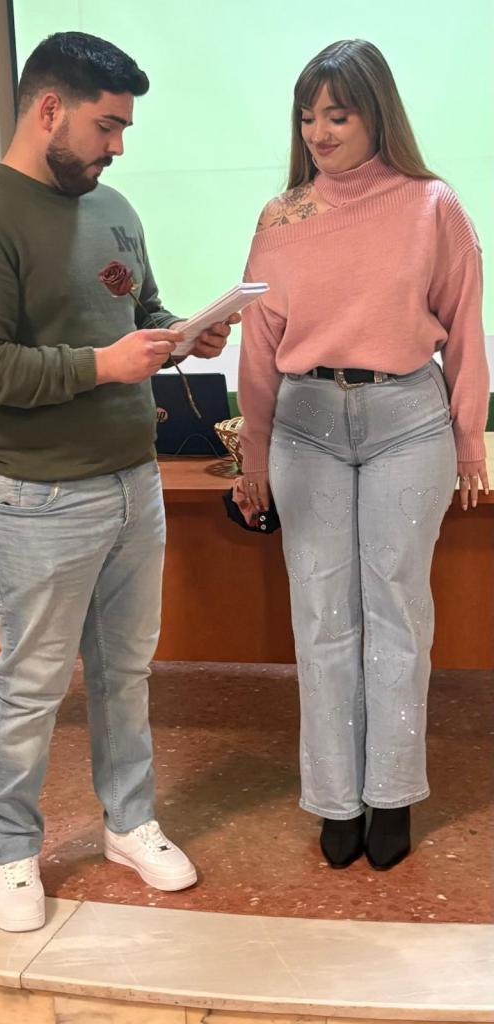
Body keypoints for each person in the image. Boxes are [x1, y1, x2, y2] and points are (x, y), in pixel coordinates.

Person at [0, 31, 236, 931]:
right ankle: (10, 849)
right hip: (35, 497)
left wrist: (186, 335)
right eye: (108, 126)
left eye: (125, 128)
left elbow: (140, 310)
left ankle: (128, 823)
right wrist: (104, 365)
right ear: (49, 109)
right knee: (31, 684)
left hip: (134, 481)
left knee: (126, 671)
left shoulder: (115, 207)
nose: (119, 146)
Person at [234, 39, 489, 871]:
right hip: (306, 423)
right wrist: (253, 453)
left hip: (406, 421)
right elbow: (259, 346)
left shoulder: (431, 204)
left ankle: (393, 792)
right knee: (321, 616)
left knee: (396, 612)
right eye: (308, 116)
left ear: (377, 115)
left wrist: (469, 434)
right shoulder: (281, 217)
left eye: (338, 115)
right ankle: (336, 797)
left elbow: (465, 325)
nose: (319, 131)